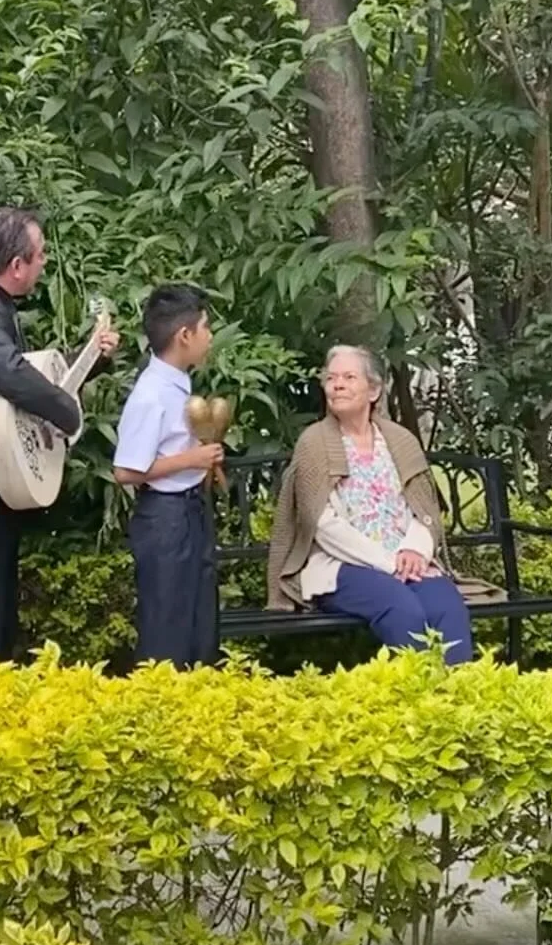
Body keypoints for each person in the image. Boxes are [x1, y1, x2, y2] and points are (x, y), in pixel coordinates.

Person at [0, 205, 120, 662]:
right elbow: (12, 374)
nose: (45, 262)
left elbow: (29, 375)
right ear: (16, 265)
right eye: (41, 254)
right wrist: (69, 415)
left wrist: (91, 359)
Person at [267, 344, 473, 665]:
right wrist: (389, 563)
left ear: (374, 390)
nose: (337, 385)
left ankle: (459, 693)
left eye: (349, 377)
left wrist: (414, 551)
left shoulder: (400, 440)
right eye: (331, 378)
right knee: (401, 607)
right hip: (341, 565)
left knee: (446, 605)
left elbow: (424, 510)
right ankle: (417, 691)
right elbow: (321, 524)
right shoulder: (314, 442)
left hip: (407, 560)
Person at [113, 284, 223, 669]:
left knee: (199, 620)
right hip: (165, 516)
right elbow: (125, 470)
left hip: (189, 509)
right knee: (168, 623)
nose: (210, 336)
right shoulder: (151, 394)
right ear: (184, 335)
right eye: (205, 327)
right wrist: (191, 459)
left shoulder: (175, 383)